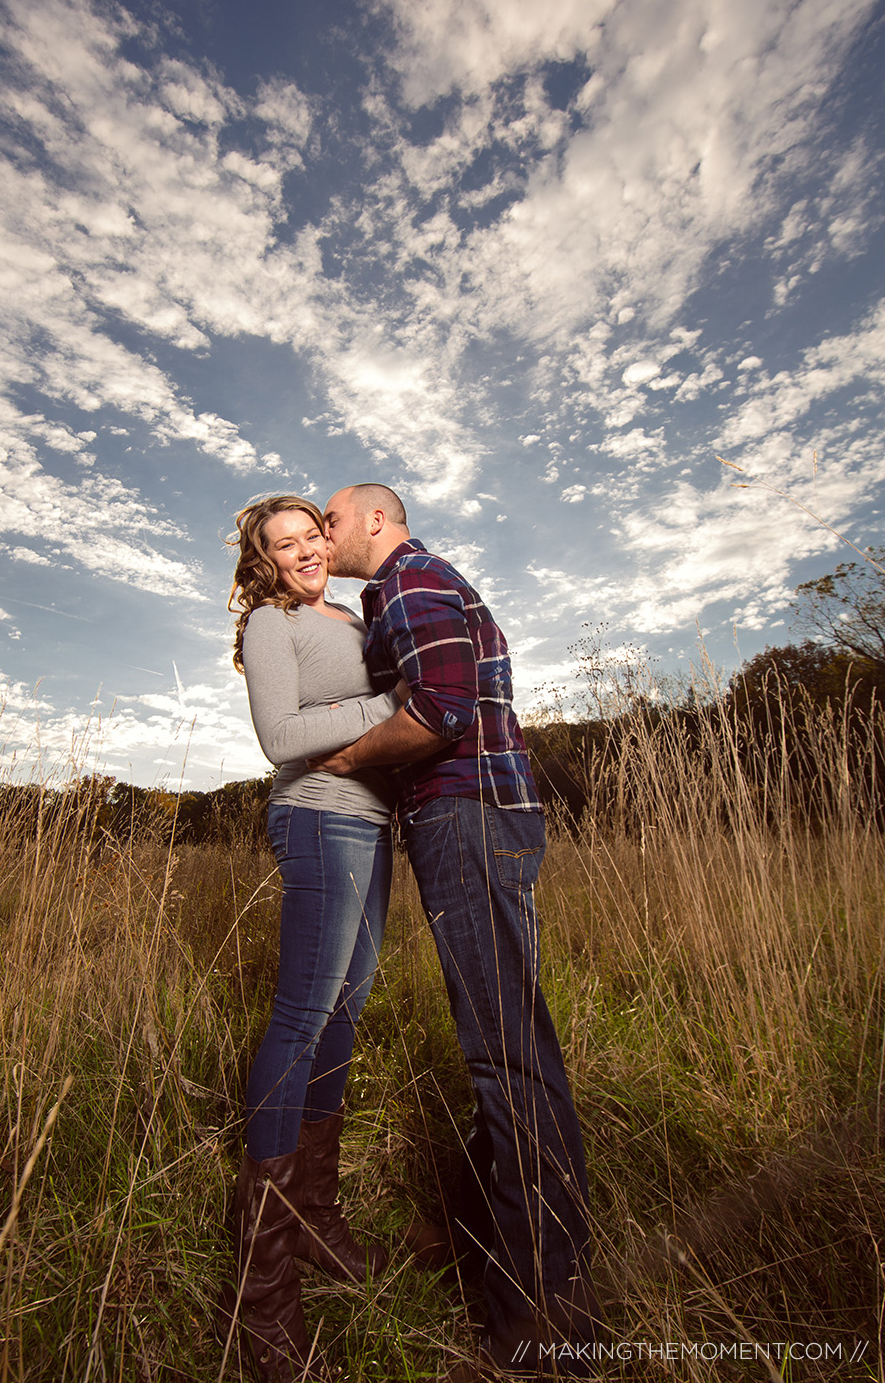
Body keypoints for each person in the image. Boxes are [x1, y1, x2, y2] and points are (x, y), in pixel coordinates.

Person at [312, 484, 599, 1380]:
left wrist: (347, 759)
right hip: (482, 818)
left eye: (331, 518)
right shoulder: (403, 589)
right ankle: (475, 1237)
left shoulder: (408, 580)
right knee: (508, 1041)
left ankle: (545, 1330)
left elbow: (441, 710)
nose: (323, 532)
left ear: (375, 520)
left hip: (466, 817)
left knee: (508, 1060)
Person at [227, 494, 400, 1382]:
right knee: (302, 1017)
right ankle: (263, 1291)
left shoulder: (359, 612)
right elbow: (280, 738)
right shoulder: (271, 622)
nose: (302, 552)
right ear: (264, 560)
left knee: (343, 1017)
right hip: (319, 818)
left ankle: (318, 1221)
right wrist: (387, 711)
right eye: (282, 543)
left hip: (373, 825)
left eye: (310, 536)